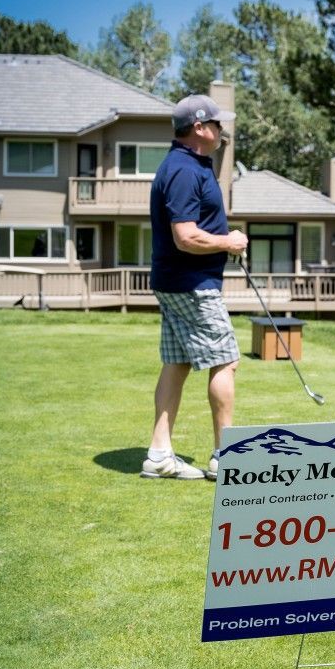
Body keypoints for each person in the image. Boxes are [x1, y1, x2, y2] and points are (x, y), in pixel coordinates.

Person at [141, 94, 248, 481]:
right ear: (200, 128)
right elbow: (185, 236)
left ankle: (158, 456)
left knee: (178, 361)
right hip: (192, 285)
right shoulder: (184, 170)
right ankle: (225, 457)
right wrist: (228, 242)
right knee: (225, 360)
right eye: (217, 124)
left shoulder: (188, 164)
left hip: (178, 282)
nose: (222, 130)